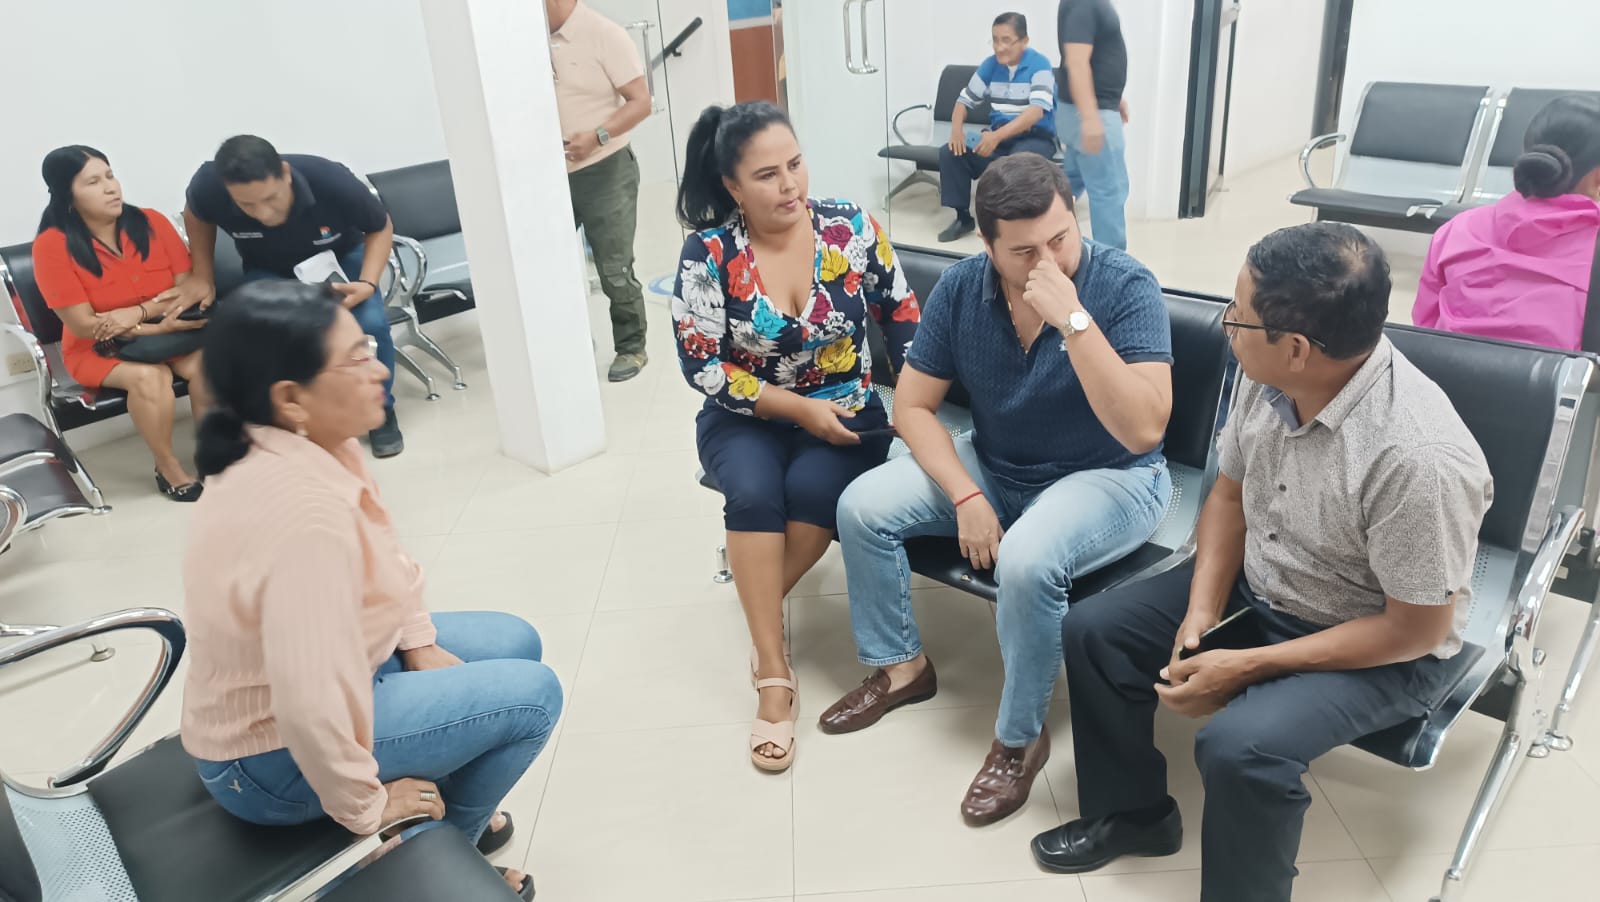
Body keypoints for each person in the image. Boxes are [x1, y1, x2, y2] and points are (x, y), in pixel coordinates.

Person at [1034, 223, 1492, 902]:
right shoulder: (1268, 373)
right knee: (1094, 631)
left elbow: (1417, 630)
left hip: (1380, 643)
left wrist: (1247, 664)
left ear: (1298, 347)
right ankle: (1134, 815)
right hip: (1267, 584)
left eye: (1239, 314)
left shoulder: (1417, 459)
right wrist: (1200, 614)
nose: (1227, 324)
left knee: (1241, 747)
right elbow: (1227, 495)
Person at [821, 152, 1172, 826]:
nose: (1049, 262)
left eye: (1060, 238)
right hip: (999, 464)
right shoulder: (963, 288)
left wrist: (1073, 320)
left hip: (1111, 476)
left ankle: (1018, 741)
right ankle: (901, 668)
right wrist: (967, 496)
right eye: (1024, 251)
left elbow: (1144, 430)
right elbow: (912, 408)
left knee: (1028, 560)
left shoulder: (1126, 285)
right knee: (861, 507)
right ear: (987, 245)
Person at [179, 282, 561, 900]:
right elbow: (309, 703)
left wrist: (417, 640)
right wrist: (368, 806)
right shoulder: (301, 517)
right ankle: (429, 861)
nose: (380, 367)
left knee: (514, 641)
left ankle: (433, 815)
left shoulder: (314, 442)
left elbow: (387, 553)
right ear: (291, 397)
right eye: (356, 358)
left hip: (346, 675)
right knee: (534, 698)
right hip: (269, 757)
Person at [671, 101, 922, 772]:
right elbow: (703, 366)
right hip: (744, 414)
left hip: (846, 412)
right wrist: (794, 408)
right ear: (733, 186)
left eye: (795, 164)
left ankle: (759, 615)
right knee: (753, 492)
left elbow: (903, 318)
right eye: (767, 175)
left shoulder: (850, 229)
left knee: (813, 491)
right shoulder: (709, 254)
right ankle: (774, 675)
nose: (790, 186)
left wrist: (914, 405)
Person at [173, 135, 405, 458]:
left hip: (339, 255)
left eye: (270, 198)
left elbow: (380, 226)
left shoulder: (328, 179)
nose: (263, 213)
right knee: (266, 336)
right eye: (248, 205)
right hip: (269, 265)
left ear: (284, 173)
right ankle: (295, 417)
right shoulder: (209, 185)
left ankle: (381, 409)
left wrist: (367, 282)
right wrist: (202, 274)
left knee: (370, 323)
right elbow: (197, 214)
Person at [31, 145, 208, 500]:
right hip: (99, 349)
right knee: (150, 377)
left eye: (110, 176)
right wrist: (157, 325)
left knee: (212, 365)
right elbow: (84, 326)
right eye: (93, 182)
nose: (111, 187)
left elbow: (185, 289)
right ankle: (167, 466)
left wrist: (139, 313)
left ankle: (212, 454)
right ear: (67, 194)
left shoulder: (152, 222)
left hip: (170, 336)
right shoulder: (51, 246)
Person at [1414, 94, 1600, 350]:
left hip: (1447, 372)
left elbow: (1424, 329)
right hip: (1558, 376)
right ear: (1597, 177)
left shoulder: (1458, 229)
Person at [547, 0, 654, 382]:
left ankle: (631, 347)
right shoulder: (526, 39)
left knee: (614, 268)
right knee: (548, 268)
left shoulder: (604, 33)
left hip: (605, 170)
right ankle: (571, 344)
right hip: (547, 177)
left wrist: (598, 136)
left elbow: (641, 102)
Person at [936, 12, 1059, 243]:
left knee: (1017, 163)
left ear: (1024, 41)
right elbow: (963, 102)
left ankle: (1018, 225)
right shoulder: (990, 65)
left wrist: (995, 137)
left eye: (1006, 40)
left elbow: (1036, 112)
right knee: (951, 152)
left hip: (1035, 137)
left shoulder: (1039, 64)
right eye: (995, 40)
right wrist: (956, 131)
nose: (999, 47)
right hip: (998, 137)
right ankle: (963, 217)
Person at [1056, 0, 1132, 250]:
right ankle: (1112, 266)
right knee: (1109, 192)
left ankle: (1044, 241)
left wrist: (1114, 97)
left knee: (1067, 186)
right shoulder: (1085, 3)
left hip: (1090, 107)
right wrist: (1091, 117)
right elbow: (1076, 62)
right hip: (1090, 112)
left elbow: (1098, 54)